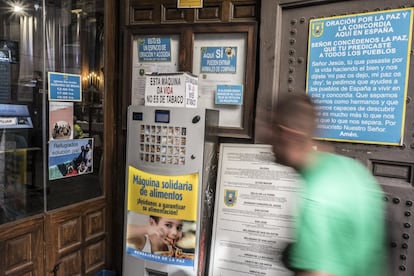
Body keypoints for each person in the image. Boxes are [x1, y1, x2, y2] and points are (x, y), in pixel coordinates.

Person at [272, 94, 387, 276]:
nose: (265, 139)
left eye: (270, 130)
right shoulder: (352, 170)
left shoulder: (315, 194)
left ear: (285, 133)